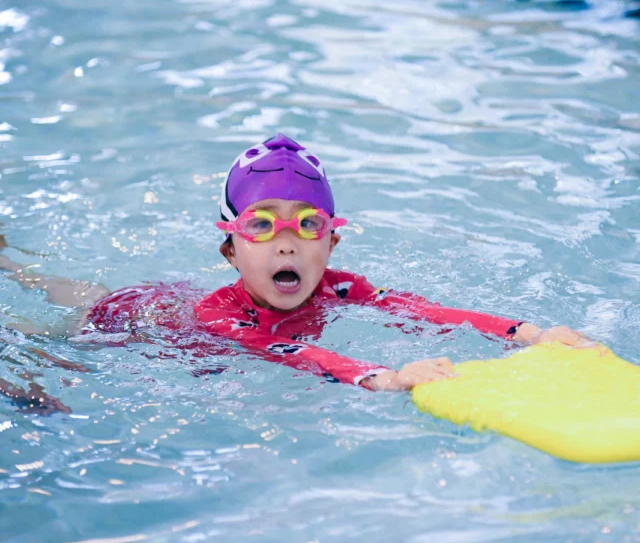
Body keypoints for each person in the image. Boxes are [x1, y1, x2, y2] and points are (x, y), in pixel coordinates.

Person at [0, 133, 592, 411]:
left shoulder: (342, 287)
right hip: (133, 323)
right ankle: (10, 265)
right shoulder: (218, 315)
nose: (288, 244)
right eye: (262, 226)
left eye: (308, 225)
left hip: (158, 300)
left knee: (78, 291)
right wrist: (380, 376)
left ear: (331, 244)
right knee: (56, 336)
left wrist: (528, 333)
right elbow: (287, 353)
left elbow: (424, 311)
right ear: (231, 252)